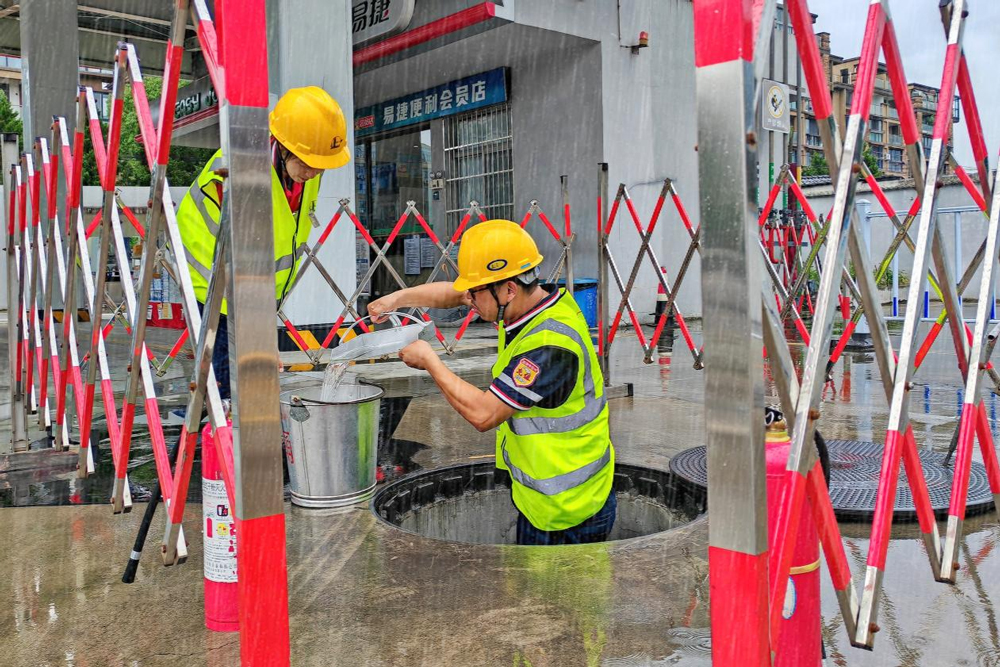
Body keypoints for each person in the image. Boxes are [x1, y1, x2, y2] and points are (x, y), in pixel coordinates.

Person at [368, 220, 616, 545]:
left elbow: (484, 414)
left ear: (509, 288)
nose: (468, 299)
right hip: (543, 499)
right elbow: (453, 293)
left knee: (565, 594)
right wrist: (396, 299)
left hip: (570, 510)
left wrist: (430, 361)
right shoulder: (529, 303)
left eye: (475, 291)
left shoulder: (548, 346)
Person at [175, 86, 350, 401]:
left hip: (257, 296)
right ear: (282, 146)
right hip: (217, 293)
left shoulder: (301, 173)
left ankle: (202, 449)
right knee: (227, 396)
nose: (314, 172)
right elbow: (237, 268)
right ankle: (206, 449)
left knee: (240, 395)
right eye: (308, 162)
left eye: (321, 164)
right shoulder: (240, 174)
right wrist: (260, 341)